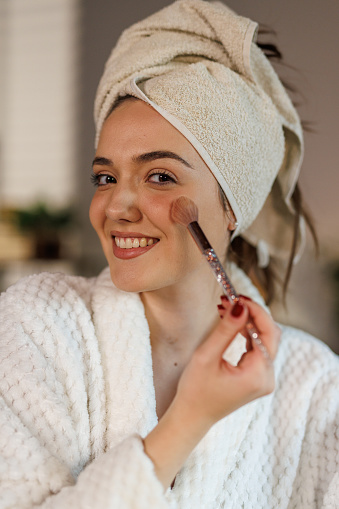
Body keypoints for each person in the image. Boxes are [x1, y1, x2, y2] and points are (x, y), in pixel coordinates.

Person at [0, 1, 338, 508]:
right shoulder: (35, 328)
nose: (116, 205)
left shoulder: (314, 389)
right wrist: (188, 421)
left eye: (160, 176)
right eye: (105, 177)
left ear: (232, 207)